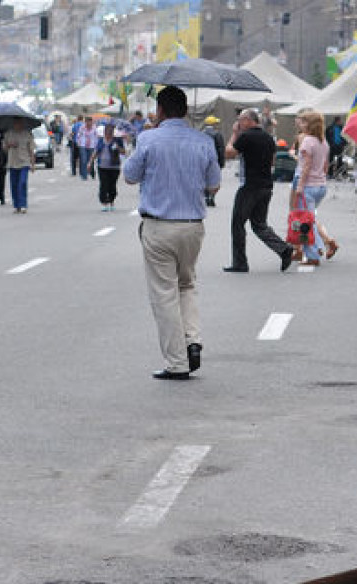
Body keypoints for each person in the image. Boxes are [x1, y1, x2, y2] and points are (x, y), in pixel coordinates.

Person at [122, 85, 221, 381]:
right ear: (187, 111)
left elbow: (129, 175)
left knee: (164, 293)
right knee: (187, 285)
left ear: (160, 111)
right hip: (192, 227)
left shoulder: (149, 138)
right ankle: (193, 341)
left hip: (159, 227)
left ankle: (177, 362)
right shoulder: (203, 141)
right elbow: (213, 185)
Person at [222, 108, 293, 273]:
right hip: (266, 185)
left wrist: (234, 134)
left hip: (249, 186)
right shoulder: (269, 138)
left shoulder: (246, 136)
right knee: (259, 224)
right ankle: (283, 249)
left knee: (238, 223)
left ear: (248, 120)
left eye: (240, 120)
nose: (238, 123)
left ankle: (240, 263)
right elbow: (273, 162)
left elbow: (229, 153)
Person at [293, 110, 336, 265]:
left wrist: (300, 186)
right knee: (310, 219)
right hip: (321, 185)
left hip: (308, 186)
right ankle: (317, 247)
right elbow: (325, 166)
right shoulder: (323, 142)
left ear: (310, 125)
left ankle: (312, 255)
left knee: (305, 222)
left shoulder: (307, 141)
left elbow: (306, 166)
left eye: (303, 122)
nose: (300, 124)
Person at [91, 121, 127, 211]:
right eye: (107, 132)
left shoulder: (117, 140)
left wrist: (118, 147)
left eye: (110, 132)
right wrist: (90, 162)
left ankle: (111, 201)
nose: (108, 134)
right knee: (103, 185)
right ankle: (104, 202)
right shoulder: (101, 140)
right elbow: (96, 152)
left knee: (112, 185)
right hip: (102, 166)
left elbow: (124, 152)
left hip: (114, 166)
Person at [4, 118, 35, 214]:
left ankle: (23, 205)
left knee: (22, 183)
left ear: (22, 123)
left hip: (24, 162)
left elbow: (31, 150)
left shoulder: (27, 134)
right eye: (15, 123)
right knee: (14, 185)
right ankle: (16, 205)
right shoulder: (8, 133)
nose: (17, 124)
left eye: (19, 123)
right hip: (12, 162)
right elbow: (4, 149)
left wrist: (32, 164)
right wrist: (9, 145)